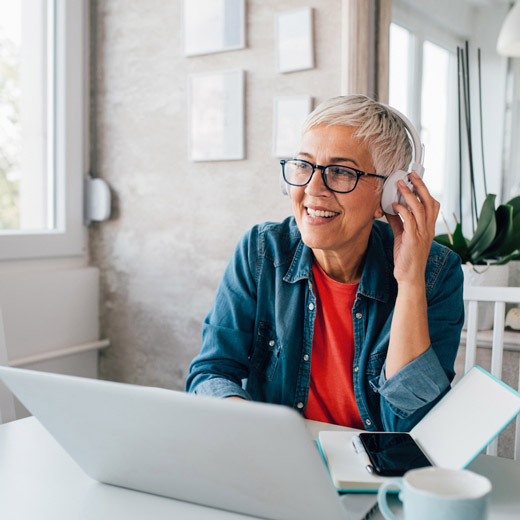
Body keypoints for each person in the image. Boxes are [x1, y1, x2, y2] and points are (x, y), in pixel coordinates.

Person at [185, 95, 464, 432]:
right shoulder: (261, 252)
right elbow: (212, 372)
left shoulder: (436, 272)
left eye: (341, 172)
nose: (313, 188)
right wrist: (252, 432)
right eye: (303, 165)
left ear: (390, 197)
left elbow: (411, 428)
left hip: (372, 475)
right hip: (276, 457)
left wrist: (409, 280)